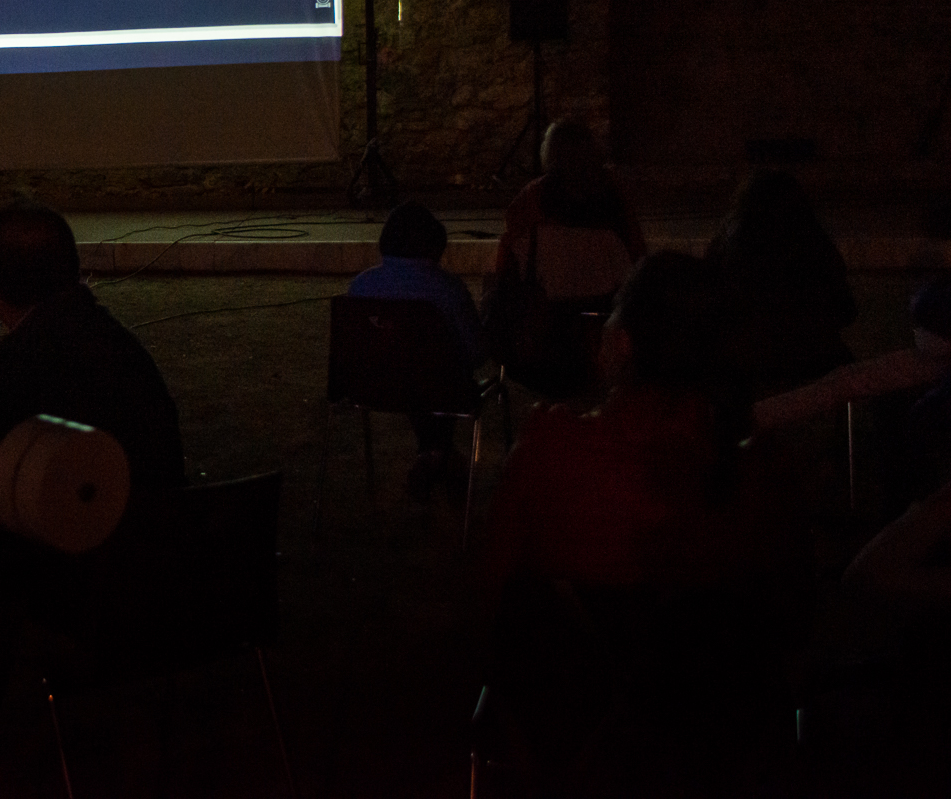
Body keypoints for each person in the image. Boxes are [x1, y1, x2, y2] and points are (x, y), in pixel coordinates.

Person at [479, 253, 810, 794]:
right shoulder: (759, 465)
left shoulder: (550, 450)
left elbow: (492, 600)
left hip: (570, 738)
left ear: (625, 343)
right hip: (716, 745)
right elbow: (794, 615)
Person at [0, 199, 184, 495]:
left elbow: (4, 477)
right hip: (163, 521)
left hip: (94, 530)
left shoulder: (20, 369)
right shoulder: (113, 339)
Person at [487, 119, 646, 400]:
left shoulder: (532, 199)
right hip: (602, 332)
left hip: (545, 339)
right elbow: (637, 259)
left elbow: (508, 263)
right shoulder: (615, 197)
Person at [347, 201, 483, 500]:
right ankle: (440, 455)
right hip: (442, 388)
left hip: (375, 387)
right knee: (436, 374)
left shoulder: (361, 286)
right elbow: (475, 352)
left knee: (415, 374)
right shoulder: (448, 288)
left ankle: (433, 454)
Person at [707, 169, 856, 396]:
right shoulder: (814, 244)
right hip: (813, 359)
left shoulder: (725, 246)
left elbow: (710, 311)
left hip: (745, 364)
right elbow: (846, 311)